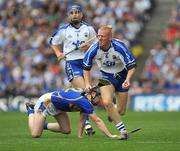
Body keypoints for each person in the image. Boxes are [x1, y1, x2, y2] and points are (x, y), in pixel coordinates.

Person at [49, 4, 97, 135]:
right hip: (72, 63)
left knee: (77, 95)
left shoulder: (89, 29)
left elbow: (97, 43)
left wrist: (89, 46)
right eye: (72, 13)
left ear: (81, 14)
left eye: (77, 12)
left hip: (86, 63)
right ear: (69, 15)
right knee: (85, 92)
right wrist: (58, 53)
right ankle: (87, 124)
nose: (75, 14)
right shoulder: (63, 30)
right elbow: (52, 42)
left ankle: (54, 107)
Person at [83, 26, 137, 138]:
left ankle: (113, 113)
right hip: (106, 77)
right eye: (98, 36)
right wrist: (87, 83)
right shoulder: (93, 49)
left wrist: (128, 79)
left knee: (121, 111)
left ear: (110, 38)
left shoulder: (119, 47)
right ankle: (122, 131)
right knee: (107, 102)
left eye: (103, 37)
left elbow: (132, 66)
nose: (100, 39)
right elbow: (86, 68)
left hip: (122, 77)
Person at [25, 87, 120, 139]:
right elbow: (97, 121)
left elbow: (82, 119)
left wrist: (79, 136)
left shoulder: (87, 98)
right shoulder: (85, 101)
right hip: (47, 102)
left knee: (66, 130)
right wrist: (110, 135)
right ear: (94, 94)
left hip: (58, 106)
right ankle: (30, 110)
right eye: (100, 97)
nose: (100, 101)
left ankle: (42, 125)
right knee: (35, 134)